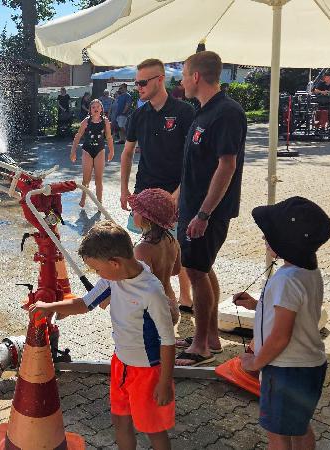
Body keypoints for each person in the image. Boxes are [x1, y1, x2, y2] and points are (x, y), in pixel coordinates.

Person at [30, 221, 175, 450]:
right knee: (120, 420)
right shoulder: (112, 279)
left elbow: (168, 340)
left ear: (115, 263)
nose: (97, 274)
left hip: (148, 373)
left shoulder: (151, 290)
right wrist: (48, 307)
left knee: (152, 429)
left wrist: (165, 382)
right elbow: (84, 304)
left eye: (97, 269)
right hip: (120, 364)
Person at [234, 197, 330, 450]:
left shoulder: (287, 280)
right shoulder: (309, 271)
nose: (264, 240)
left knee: (277, 434)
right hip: (309, 365)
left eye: (269, 236)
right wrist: (257, 305)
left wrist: (255, 362)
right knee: (300, 427)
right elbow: (297, 312)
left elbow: (280, 337)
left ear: (285, 243)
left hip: (287, 370)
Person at [175, 51, 247, 367]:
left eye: (183, 74)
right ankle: (212, 337)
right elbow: (195, 165)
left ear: (196, 77)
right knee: (201, 268)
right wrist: (177, 198)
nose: (180, 80)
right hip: (193, 207)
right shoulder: (202, 112)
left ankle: (202, 346)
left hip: (208, 211)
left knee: (196, 271)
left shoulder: (227, 113)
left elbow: (227, 165)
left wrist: (203, 214)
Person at [121, 58, 195, 314]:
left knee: (178, 251)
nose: (138, 87)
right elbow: (128, 153)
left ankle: (185, 300)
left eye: (143, 82)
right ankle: (157, 302)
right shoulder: (138, 115)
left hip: (175, 191)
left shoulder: (185, 112)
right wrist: (124, 189)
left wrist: (179, 193)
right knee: (148, 246)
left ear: (160, 79)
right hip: (145, 192)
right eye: (136, 82)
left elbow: (194, 158)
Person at [129, 189, 181, 325]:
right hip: (171, 304)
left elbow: (142, 284)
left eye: (135, 211)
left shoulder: (142, 248)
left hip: (153, 309)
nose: (132, 213)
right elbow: (176, 270)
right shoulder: (173, 241)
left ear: (146, 218)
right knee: (162, 342)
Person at [70, 99, 115, 208]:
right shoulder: (86, 121)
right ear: (90, 110)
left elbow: (109, 137)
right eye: (93, 107)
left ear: (101, 109)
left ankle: (99, 202)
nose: (95, 109)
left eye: (98, 107)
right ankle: (83, 198)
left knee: (99, 179)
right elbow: (78, 136)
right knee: (86, 178)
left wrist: (112, 151)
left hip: (100, 150)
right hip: (87, 150)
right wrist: (73, 151)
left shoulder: (105, 122)